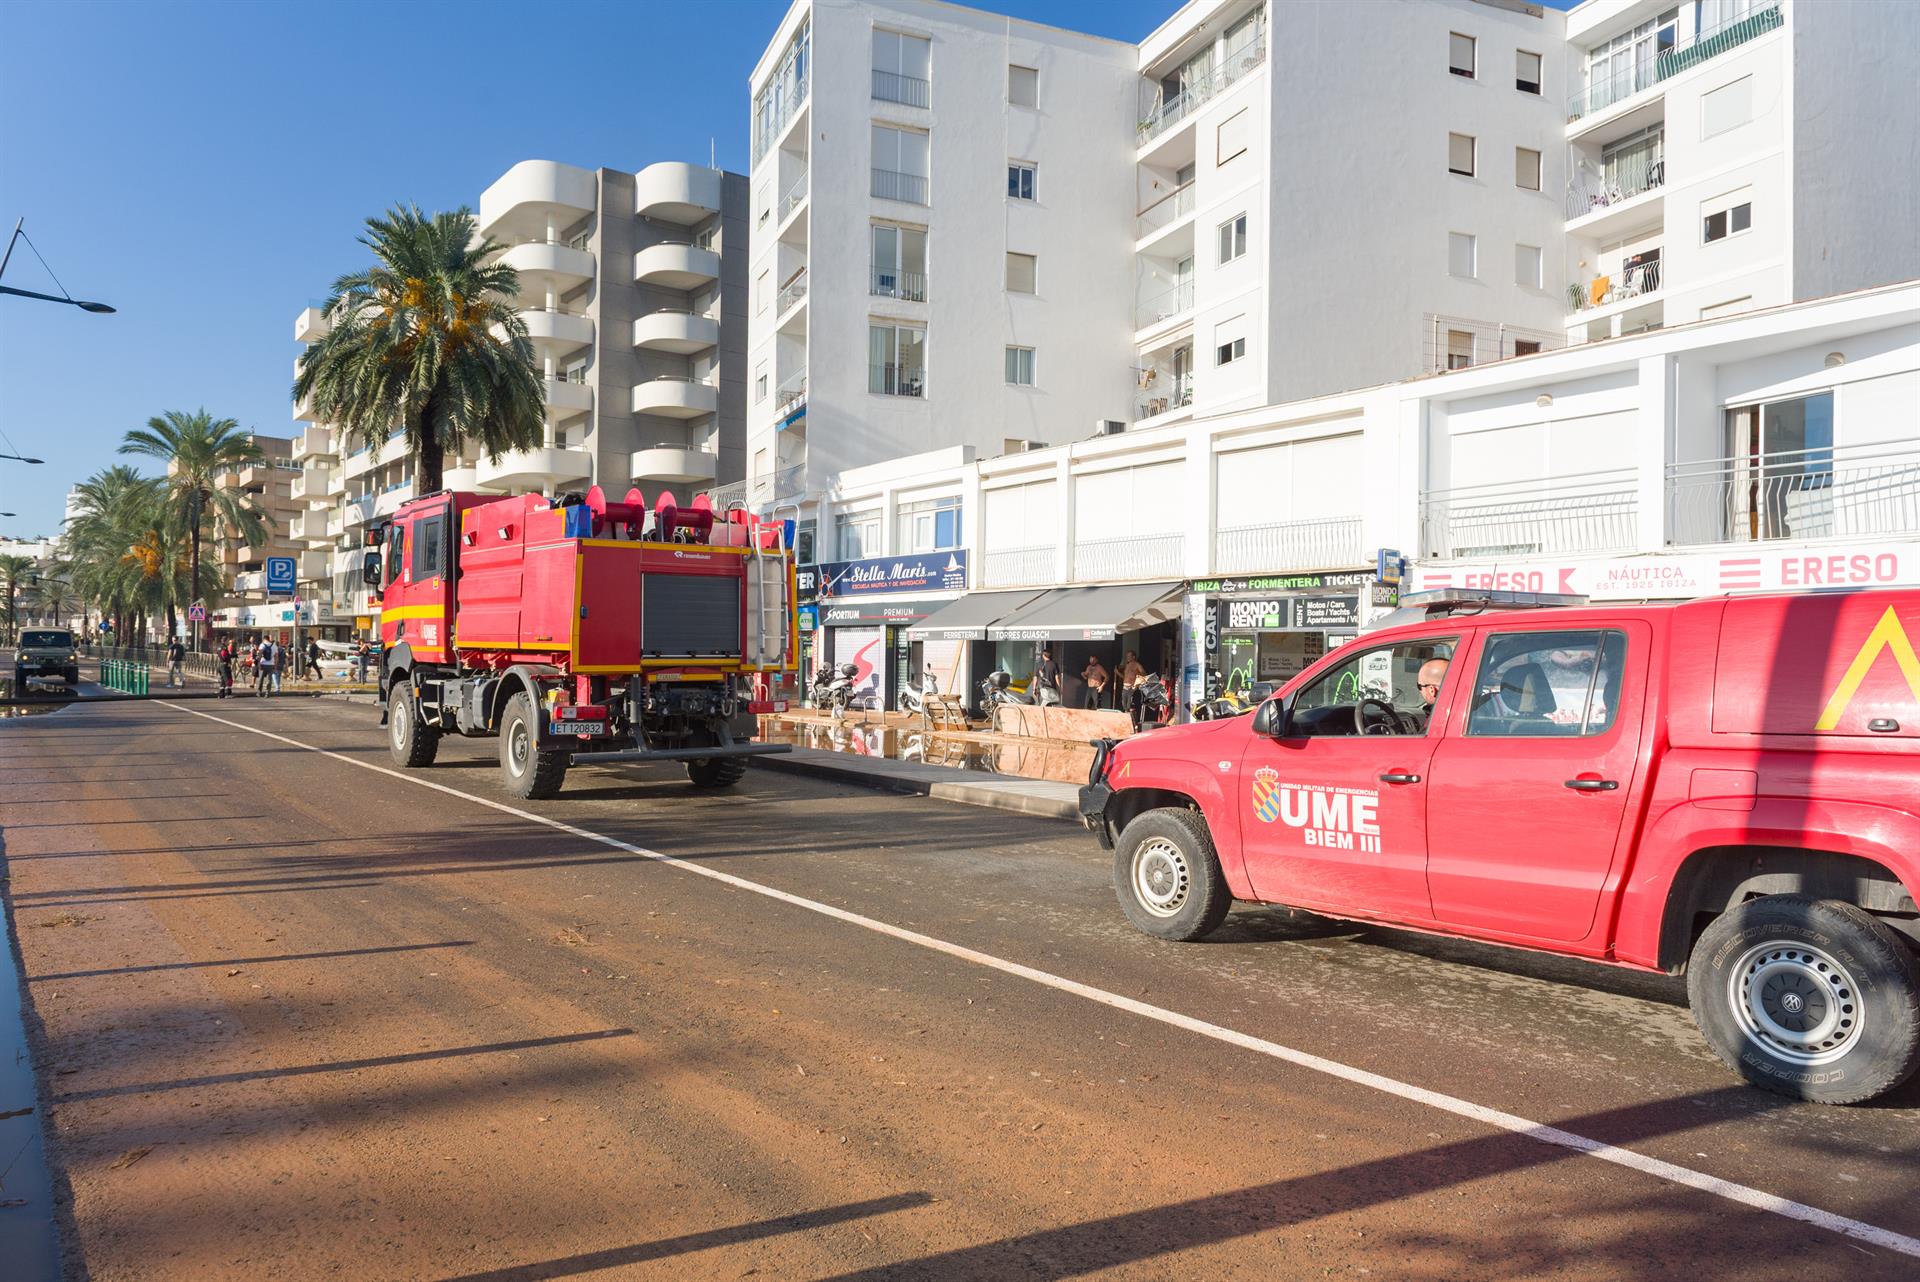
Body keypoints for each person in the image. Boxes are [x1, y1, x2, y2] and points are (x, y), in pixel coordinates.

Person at [1413, 657, 1450, 730]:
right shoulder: (1470, 710)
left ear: (1432, 690)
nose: (1420, 690)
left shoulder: (1436, 724)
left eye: (1419, 686)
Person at [1119, 650, 1147, 731]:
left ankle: (1134, 725)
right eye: (1127, 656)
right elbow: (1125, 677)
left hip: (1132, 688)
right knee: (1124, 706)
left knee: (1130, 706)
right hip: (1125, 687)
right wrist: (1117, 673)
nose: (1127, 657)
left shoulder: (1137, 665)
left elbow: (1144, 674)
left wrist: (1137, 680)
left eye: (1129, 656)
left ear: (1133, 657)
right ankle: (1126, 724)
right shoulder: (1127, 665)